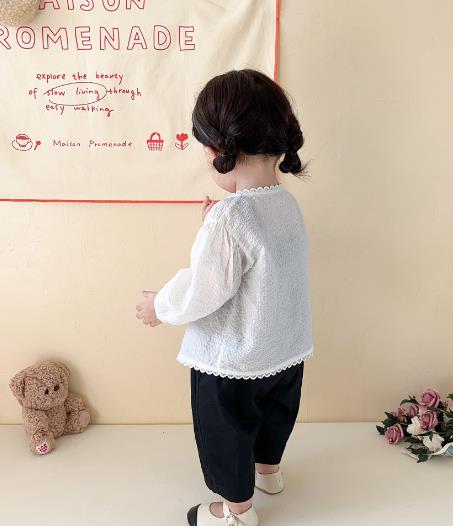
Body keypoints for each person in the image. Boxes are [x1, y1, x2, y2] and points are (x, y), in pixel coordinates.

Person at [136, 69, 313, 526]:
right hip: (284, 351)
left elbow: (204, 289)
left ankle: (235, 512)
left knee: (226, 431)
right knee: (274, 416)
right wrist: (215, 227)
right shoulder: (284, 205)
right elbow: (257, 267)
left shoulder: (230, 219)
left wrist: (159, 305)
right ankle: (269, 474)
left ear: (219, 151)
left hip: (232, 361)